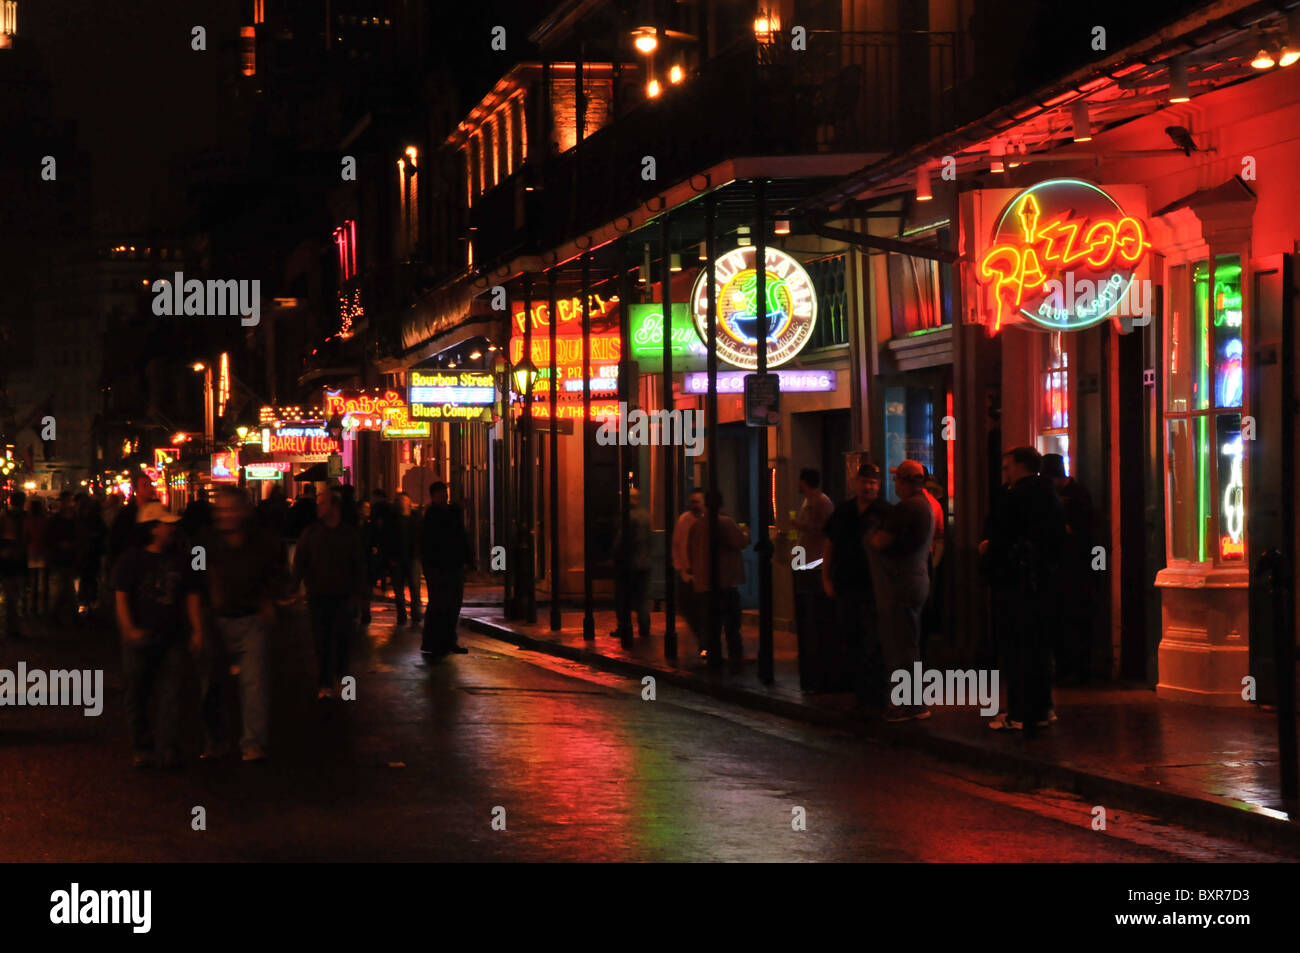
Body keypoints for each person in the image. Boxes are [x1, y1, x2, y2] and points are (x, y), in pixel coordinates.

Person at [979, 446, 1066, 734]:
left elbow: (1001, 537)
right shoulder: (1049, 495)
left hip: (1016, 583)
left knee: (1017, 650)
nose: (1005, 473)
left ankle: (1020, 713)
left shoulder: (1014, 498)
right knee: (1039, 649)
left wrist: (990, 549)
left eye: (1007, 467)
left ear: (1019, 467)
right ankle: (1042, 708)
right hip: (1044, 583)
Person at [111, 501, 203, 769]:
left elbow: (192, 595)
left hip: (172, 635)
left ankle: (167, 748)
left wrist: (197, 629)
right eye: (166, 524)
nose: (171, 528)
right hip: (141, 635)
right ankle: (142, 747)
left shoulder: (182, 559)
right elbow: (121, 597)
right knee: (138, 693)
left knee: (171, 693)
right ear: (153, 528)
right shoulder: (132, 559)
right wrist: (128, 628)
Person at [201, 486, 288, 762]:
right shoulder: (206, 542)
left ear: (243, 511)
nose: (225, 515)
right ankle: (217, 740)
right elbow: (195, 578)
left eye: (230, 509)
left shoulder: (261, 541)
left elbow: (274, 573)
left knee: (254, 684)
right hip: (215, 621)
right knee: (212, 685)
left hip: (251, 619)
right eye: (220, 509)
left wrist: (269, 600)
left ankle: (252, 742)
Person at [869, 460, 935, 723]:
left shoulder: (907, 508)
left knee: (901, 646)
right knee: (908, 642)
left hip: (901, 583)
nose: (894, 483)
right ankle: (912, 702)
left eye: (897, 479)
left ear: (907, 480)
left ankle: (909, 705)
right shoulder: (926, 505)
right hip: (916, 580)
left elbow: (880, 542)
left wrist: (873, 534)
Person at [822, 463, 892, 704]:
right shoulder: (843, 511)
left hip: (875, 587)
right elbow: (829, 545)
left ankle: (876, 691)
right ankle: (859, 690)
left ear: (879, 485)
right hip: (846, 584)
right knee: (851, 637)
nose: (868, 487)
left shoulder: (886, 512)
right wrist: (826, 578)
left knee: (874, 639)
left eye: (873, 483)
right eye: (865, 482)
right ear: (856, 483)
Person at [292, 487, 367, 699]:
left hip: (344, 595)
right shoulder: (312, 533)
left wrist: (361, 595)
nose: (318, 507)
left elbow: (359, 565)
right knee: (321, 641)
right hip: (319, 595)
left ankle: (343, 681)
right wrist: (296, 586)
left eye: (323, 503)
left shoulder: (348, 534)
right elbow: (300, 562)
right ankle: (325, 683)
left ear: (334, 507)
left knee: (344, 641)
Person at [1042, 452, 1094, 685]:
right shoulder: (1070, 493)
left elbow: (1085, 531)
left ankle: (1076, 668)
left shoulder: (1077, 496)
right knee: (1061, 619)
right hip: (1063, 566)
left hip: (1075, 568)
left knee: (1073, 618)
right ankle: (1067, 666)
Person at [687, 490, 749, 670]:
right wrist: (745, 533)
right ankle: (735, 656)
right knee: (732, 623)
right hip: (725, 581)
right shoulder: (725, 523)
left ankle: (714, 655)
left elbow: (690, 550)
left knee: (711, 623)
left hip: (704, 581)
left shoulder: (697, 525)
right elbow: (740, 542)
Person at [420, 482, 473, 657]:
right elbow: (441, 534)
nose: (445, 496)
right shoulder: (433, 514)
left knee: (452, 604)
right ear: (434, 495)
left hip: (452, 565)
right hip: (438, 567)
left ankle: (448, 640)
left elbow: (459, 537)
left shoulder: (448, 513)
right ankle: (434, 642)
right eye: (442, 493)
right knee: (439, 604)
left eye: (446, 493)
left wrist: (466, 561)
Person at [610, 486, 653, 640]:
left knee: (622, 597)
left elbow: (620, 541)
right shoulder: (646, 516)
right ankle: (645, 627)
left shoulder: (628, 517)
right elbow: (650, 539)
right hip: (644, 562)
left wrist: (614, 555)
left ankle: (624, 627)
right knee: (641, 598)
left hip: (628, 563)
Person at [671, 490, 706, 655]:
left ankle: (705, 642)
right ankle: (702, 639)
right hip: (686, 573)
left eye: (697, 501)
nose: (694, 505)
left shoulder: (707, 520)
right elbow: (676, 544)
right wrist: (679, 566)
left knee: (701, 610)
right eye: (692, 501)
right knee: (687, 609)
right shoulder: (684, 520)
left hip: (702, 575)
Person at [385, 491, 422, 627]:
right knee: (399, 588)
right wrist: (389, 556)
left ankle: (415, 612)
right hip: (397, 558)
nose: (403, 503)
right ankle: (402, 614)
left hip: (413, 557)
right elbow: (387, 539)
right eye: (400, 501)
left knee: (414, 586)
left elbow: (421, 537)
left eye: (405, 501)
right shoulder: (392, 520)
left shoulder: (415, 519)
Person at [47, 491, 79, 626]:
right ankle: (56, 615)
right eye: (67, 501)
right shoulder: (56, 520)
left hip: (70, 558)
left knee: (68, 588)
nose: (69, 504)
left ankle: (66, 615)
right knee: (60, 589)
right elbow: (49, 538)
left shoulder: (75, 520)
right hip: (58, 558)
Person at [792, 468, 835, 566]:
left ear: (803, 482)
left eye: (799, 480)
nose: (797, 484)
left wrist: (802, 526)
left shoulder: (823, 502)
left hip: (816, 560)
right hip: (805, 557)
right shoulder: (807, 500)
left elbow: (828, 529)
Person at [0, 491, 28, 639]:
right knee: (14, 596)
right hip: (14, 559)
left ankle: (12, 627)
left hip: (12, 559)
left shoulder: (8, 515)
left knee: (12, 596)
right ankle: (12, 628)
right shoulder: (19, 516)